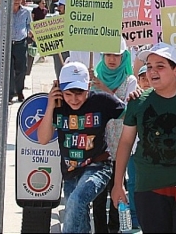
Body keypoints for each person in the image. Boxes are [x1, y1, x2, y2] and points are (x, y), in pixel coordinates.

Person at [111, 42, 176, 233]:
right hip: (149, 188)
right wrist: (118, 184)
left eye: (160, 66)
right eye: (149, 67)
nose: (152, 71)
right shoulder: (138, 102)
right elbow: (125, 143)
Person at [38, 61, 126, 234]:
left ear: (88, 86)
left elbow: (130, 115)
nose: (74, 99)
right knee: (79, 217)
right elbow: (43, 139)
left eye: (80, 93)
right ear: (59, 89)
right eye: (68, 94)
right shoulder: (57, 105)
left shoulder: (101, 101)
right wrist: (50, 105)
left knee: (77, 201)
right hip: (71, 171)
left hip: (98, 166)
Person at [91, 38, 139, 234]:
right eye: (108, 55)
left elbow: (127, 112)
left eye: (116, 55)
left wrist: (104, 90)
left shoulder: (130, 81)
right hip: (99, 145)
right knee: (99, 194)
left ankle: (117, 228)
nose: (112, 60)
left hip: (121, 143)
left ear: (124, 57)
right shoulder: (93, 77)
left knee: (119, 188)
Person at [0, 0, 33, 103]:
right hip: (7, 44)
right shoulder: (2, 12)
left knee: (22, 69)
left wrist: (31, 32)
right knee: (8, 70)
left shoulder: (26, 12)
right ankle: (9, 94)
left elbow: (30, 25)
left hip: (21, 43)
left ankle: (19, 91)